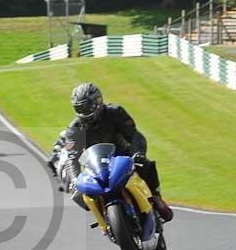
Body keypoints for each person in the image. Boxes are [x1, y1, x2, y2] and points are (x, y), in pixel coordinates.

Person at [64, 82, 173, 222]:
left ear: (97, 102)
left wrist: (138, 153)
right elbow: (72, 158)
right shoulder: (74, 129)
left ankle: (157, 197)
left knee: (145, 164)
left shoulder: (115, 112)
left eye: (86, 106)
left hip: (123, 156)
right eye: (79, 107)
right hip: (96, 167)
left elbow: (134, 135)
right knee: (78, 193)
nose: (83, 111)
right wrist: (74, 179)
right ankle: (102, 217)